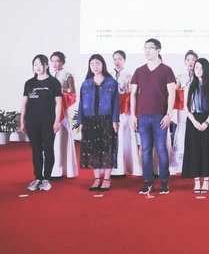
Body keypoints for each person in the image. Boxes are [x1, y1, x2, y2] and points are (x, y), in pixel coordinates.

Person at [130, 38, 177, 195]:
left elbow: (172, 93)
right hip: (143, 117)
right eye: (145, 48)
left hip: (160, 117)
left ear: (158, 50)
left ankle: (164, 182)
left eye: (150, 48)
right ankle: (147, 182)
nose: (147, 51)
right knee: (145, 150)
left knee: (162, 149)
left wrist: (168, 114)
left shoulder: (166, 70)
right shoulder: (139, 71)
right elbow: (133, 94)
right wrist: (133, 115)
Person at [77, 54, 120, 191]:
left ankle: (106, 178)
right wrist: (80, 121)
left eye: (97, 63)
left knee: (107, 148)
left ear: (103, 65)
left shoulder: (111, 82)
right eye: (92, 64)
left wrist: (115, 120)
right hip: (89, 120)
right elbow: (81, 103)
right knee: (93, 150)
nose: (95, 66)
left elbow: (116, 103)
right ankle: (96, 178)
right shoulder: (86, 83)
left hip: (106, 120)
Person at [20, 54, 62, 191]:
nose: (37, 67)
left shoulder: (53, 82)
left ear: (46, 65)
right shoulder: (29, 83)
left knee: (48, 149)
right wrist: (22, 121)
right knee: (36, 150)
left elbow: (58, 103)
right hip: (32, 121)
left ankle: (46, 179)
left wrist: (57, 121)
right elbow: (24, 104)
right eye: (35, 65)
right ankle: (38, 177)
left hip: (48, 122)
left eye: (40, 64)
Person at [182, 58, 209, 194]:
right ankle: (197, 181)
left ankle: (206, 181)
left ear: (206, 69)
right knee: (194, 151)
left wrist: (206, 123)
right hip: (193, 120)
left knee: (207, 151)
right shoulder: (189, 86)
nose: (198, 70)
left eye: (201, 68)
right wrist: (194, 121)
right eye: (196, 68)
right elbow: (186, 107)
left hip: (208, 121)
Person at [110, 50, 142, 176]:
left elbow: (133, 94)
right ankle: (115, 167)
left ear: (124, 60)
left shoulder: (129, 75)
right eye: (115, 59)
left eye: (119, 59)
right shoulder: (109, 74)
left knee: (125, 135)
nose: (117, 61)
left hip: (125, 111)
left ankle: (127, 167)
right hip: (111, 111)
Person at [49, 51, 78, 178]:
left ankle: (62, 169)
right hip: (51, 110)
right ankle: (54, 169)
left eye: (57, 61)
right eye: (53, 61)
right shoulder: (51, 75)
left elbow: (73, 94)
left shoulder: (67, 75)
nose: (55, 64)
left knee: (61, 137)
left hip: (63, 111)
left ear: (62, 62)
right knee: (53, 140)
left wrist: (61, 93)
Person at [171, 50, 198, 175]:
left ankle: (194, 163)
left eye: (193, 59)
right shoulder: (180, 76)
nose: (190, 62)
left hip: (196, 110)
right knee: (182, 132)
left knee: (195, 133)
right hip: (183, 111)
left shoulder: (200, 75)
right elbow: (174, 92)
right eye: (188, 60)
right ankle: (180, 164)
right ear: (185, 62)